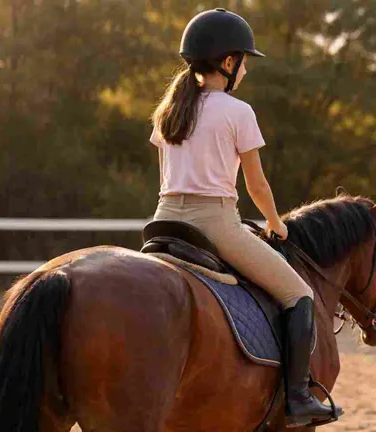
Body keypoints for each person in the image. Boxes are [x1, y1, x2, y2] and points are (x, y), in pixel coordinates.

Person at [148, 8, 341, 427]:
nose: (247, 69)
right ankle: (297, 398)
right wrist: (276, 223)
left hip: (162, 222)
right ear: (229, 62)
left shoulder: (168, 110)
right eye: (245, 61)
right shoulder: (237, 111)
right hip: (214, 225)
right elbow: (257, 186)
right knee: (299, 294)